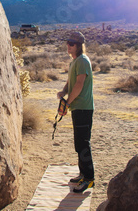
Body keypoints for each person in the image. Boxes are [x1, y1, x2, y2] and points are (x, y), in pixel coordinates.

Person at [57, 31, 95, 193]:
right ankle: (83, 174)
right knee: (79, 143)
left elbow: (79, 85)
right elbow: (70, 82)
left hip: (83, 108)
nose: (68, 45)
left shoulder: (83, 61)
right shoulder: (74, 62)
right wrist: (64, 92)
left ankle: (89, 179)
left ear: (79, 46)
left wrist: (67, 102)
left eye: (71, 43)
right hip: (77, 107)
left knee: (83, 144)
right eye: (67, 42)